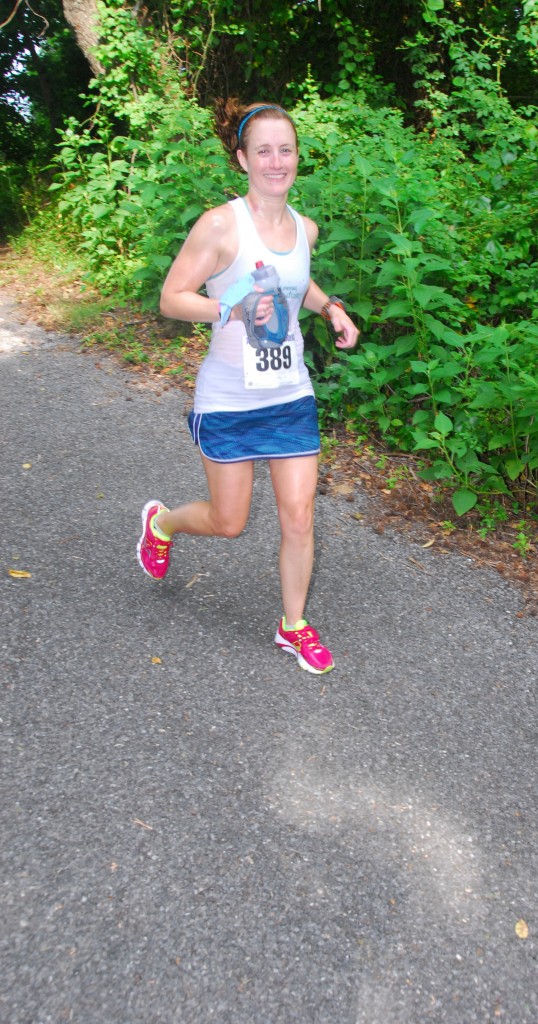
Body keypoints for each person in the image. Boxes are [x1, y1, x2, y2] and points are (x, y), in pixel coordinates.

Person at [136, 100, 359, 675]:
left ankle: (294, 625)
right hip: (231, 400)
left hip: (290, 393)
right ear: (242, 158)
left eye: (285, 149)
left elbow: (297, 281)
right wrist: (227, 311)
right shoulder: (219, 225)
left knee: (299, 515)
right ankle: (161, 523)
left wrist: (331, 308)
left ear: (297, 158)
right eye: (263, 149)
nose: (275, 160)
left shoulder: (303, 228)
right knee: (229, 521)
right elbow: (171, 297)